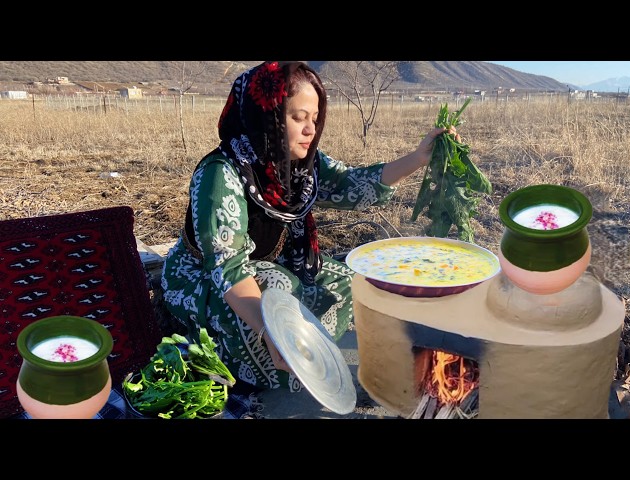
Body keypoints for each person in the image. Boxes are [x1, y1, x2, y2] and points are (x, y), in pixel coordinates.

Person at [160, 61, 458, 393]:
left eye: (315, 119)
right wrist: (269, 329)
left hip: (265, 264)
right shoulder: (222, 173)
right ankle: (232, 352)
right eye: (298, 118)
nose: (310, 130)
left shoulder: (302, 164)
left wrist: (419, 158)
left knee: (347, 285)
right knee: (280, 295)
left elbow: (350, 184)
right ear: (267, 115)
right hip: (203, 276)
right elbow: (227, 268)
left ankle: (305, 355)